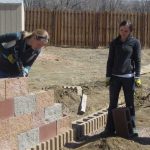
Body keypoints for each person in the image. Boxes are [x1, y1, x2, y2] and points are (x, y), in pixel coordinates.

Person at [105, 20, 142, 136]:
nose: (123, 33)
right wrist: (107, 76)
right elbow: (110, 60)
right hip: (115, 78)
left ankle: (132, 128)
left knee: (130, 103)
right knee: (112, 104)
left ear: (130, 31)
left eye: (126, 31)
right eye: (121, 30)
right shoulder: (114, 43)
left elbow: (137, 60)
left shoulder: (135, 43)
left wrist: (137, 76)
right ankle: (109, 129)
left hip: (128, 78)